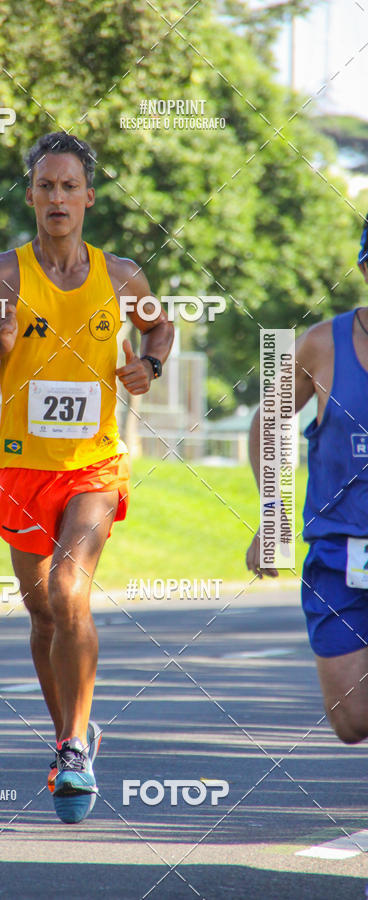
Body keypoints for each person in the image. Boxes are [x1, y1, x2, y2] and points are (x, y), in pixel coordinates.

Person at [0, 132, 173, 822]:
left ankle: (76, 748)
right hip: (23, 467)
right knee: (42, 609)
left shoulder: (123, 275)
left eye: (68, 186)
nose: (56, 198)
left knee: (70, 588)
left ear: (88, 198)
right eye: (45, 186)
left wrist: (150, 367)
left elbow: (159, 329)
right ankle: (68, 733)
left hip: (94, 467)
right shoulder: (0, 277)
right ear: (30, 196)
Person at [246, 213, 368, 744]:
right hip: (338, 557)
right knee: (351, 721)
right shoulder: (323, 344)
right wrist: (271, 518)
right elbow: (267, 422)